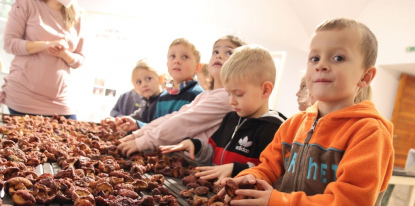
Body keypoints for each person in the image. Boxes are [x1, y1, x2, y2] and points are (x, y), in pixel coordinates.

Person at [221, 18, 394, 206]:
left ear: (365, 76)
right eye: (315, 58)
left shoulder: (370, 132)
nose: (321, 65)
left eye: (338, 57)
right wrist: (248, 180)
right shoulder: (292, 125)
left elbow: (348, 205)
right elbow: (268, 168)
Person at [160, 44, 286, 185]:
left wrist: (235, 169)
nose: (231, 101)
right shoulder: (230, 118)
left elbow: (272, 173)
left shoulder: (274, 129)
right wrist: (195, 145)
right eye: (228, 93)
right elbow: (212, 153)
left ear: (265, 90)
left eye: (238, 94)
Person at [117, 35, 246, 157]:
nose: (219, 56)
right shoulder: (206, 95)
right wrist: (138, 134)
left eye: (229, 53)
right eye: (215, 52)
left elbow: (183, 122)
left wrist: (143, 141)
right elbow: (175, 116)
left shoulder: (226, 97)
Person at [1, 0, 84, 119]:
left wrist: (64, 55)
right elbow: (10, 44)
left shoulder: (77, 14)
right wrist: (46, 45)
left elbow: (80, 59)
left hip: (60, 99)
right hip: (24, 97)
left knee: (72, 135)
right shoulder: (26, 4)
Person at [103, 59, 166, 130]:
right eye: (139, 82)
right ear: (136, 88)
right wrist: (118, 121)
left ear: (160, 79)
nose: (144, 84)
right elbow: (133, 119)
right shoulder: (146, 104)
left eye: (148, 79)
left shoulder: (165, 101)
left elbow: (161, 130)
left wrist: (138, 125)